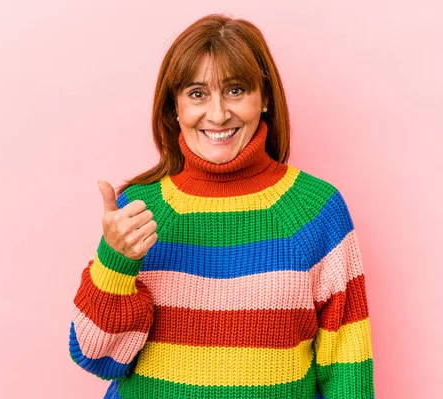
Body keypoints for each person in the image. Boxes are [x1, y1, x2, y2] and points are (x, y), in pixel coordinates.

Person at [68, 13, 375, 399]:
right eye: (197, 94)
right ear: (174, 108)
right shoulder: (138, 210)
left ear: (264, 99)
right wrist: (115, 262)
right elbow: (97, 357)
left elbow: (348, 370)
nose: (217, 114)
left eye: (235, 90)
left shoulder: (315, 210)